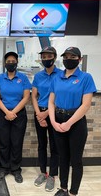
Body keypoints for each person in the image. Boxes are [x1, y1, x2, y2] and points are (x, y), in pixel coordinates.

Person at [48, 47, 97, 196]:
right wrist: (53, 122)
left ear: (80, 59)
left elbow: (86, 104)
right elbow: (51, 102)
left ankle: (73, 192)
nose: (68, 59)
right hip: (58, 120)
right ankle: (63, 189)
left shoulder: (85, 78)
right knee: (62, 157)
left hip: (76, 122)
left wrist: (68, 123)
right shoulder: (56, 78)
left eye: (73, 56)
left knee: (75, 160)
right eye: (66, 56)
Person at [0, 51, 31, 183]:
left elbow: (26, 97)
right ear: (5, 63)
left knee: (16, 142)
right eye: (8, 61)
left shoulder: (23, 78)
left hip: (19, 114)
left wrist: (13, 112)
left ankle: (16, 169)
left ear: (17, 62)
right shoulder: (0, 78)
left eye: (13, 61)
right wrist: (7, 112)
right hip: (2, 113)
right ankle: (4, 167)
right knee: (4, 142)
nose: (10, 63)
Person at [32, 46, 62, 191]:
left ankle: (53, 176)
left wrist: (47, 114)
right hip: (40, 114)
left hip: (55, 114)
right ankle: (43, 172)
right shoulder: (38, 76)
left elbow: (61, 97)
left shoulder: (62, 75)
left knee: (55, 146)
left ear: (54, 57)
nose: (46, 59)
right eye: (43, 57)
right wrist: (39, 114)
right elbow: (34, 96)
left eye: (48, 56)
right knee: (41, 145)